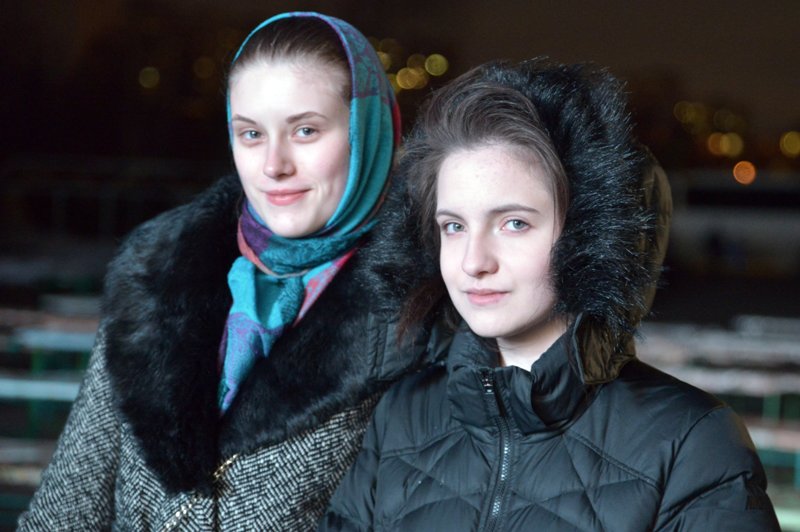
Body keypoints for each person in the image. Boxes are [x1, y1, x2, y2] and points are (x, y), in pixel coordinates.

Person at [18, 12, 443, 530]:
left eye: (305, 130)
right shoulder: (158, 272)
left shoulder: (424, 308)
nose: (273, 165)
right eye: (251, 133)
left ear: (367, 133)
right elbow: (65, 509)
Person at [319, 59, 780, 530]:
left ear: (589, 235)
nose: (473, 261)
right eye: (454, 227)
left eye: (514, 223)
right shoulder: (401, 415)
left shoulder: (692, 442)